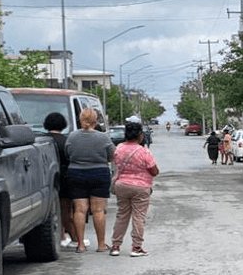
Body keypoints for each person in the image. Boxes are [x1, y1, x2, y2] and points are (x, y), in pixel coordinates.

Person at [65, 108, 115, 252]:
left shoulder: (72, 137)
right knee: (98, 210)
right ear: (95, 121)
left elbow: (68, 154)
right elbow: (112, 155)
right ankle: (100, 245)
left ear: (80, 120)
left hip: (76, 173)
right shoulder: (103, 137)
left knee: (80, 210)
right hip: (99, 173)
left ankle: (80, 245)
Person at [109, 121, 159, 258]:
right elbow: (154, 170)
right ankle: (136, 247)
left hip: (122, 185)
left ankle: (115, 246)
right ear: (140, 135)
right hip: (141, 188)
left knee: (122, 215)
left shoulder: (119, 148)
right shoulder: (144, 152)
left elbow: (116, 163)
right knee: (139, 217)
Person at [43, 112, 78, 249]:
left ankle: (60, 235)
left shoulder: (42, 141)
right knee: (65, 209)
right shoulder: (67, 141)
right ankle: (71, 237)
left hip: (45, 179)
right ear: (63, 125)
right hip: (65, 178)